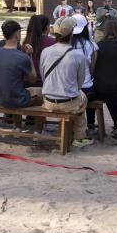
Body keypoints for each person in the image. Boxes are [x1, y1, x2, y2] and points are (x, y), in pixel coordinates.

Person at [40, 16, 95, 148]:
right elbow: (79, 83)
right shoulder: (77, 55)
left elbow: (43, 77)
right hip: (68, 102)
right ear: (71, 34)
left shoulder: (46, 51)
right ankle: (79, 136)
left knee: (76, 98)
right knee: (82, 98)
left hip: (48, 101)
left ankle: (67, 132)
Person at [0, 20, 40, 111]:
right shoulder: (22, 57)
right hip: (18, 100)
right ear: (17, 34)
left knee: (15, 87)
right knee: (40, 93)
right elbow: (33, 79)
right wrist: (30, 55)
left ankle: (17, 125)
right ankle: (38, 125)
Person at [70, 14, 99, 135]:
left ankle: (72, 124)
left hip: (69, 88)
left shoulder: (66, 45)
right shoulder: (92, 46)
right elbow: (93, 69)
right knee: (91, 94)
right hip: (86, 87)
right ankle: (91, 124)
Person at [21, 14, 55, 85]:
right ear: (46, 27)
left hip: (26, 81)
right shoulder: (52, 42)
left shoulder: (26, 41)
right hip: (45, 82)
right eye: (49, 26)